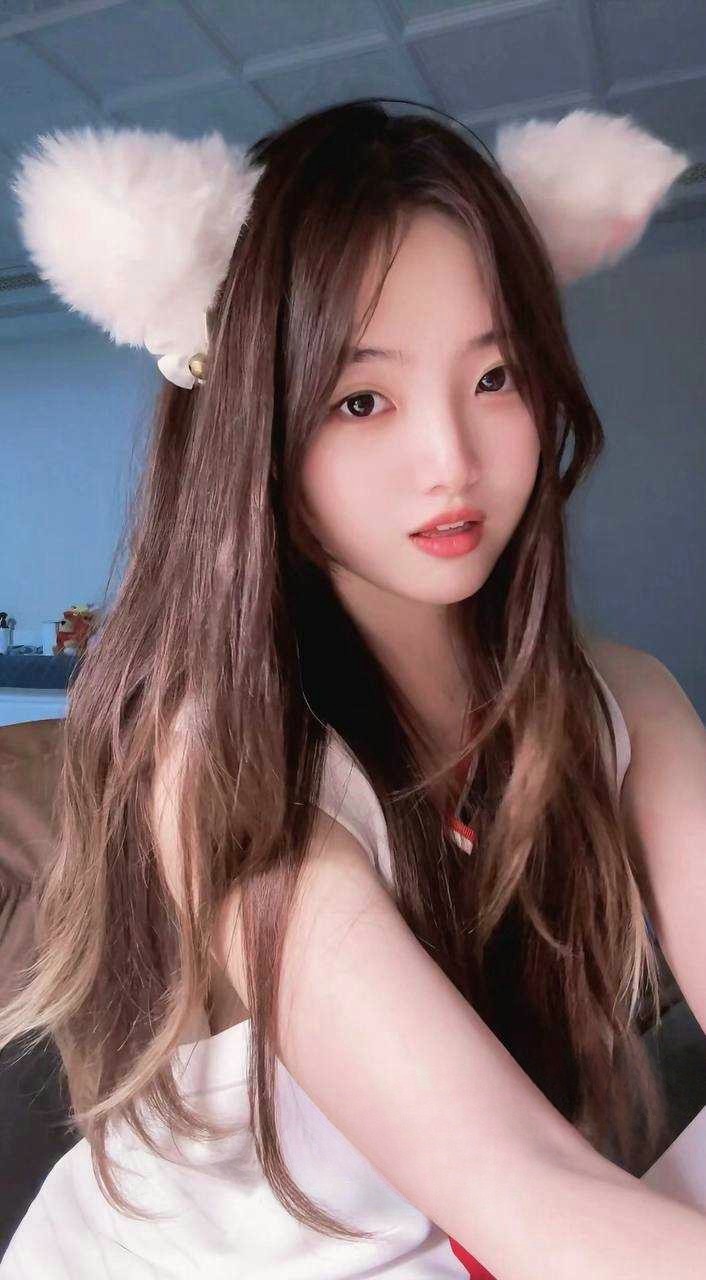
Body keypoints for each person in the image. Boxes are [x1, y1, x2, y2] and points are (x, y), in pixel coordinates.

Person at [1, 97, 704, 1278]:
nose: (451, 459)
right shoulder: (219, 764)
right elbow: (519, 1185)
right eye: (361, 399)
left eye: (496, 376)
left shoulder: (623, 699)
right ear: (259, 431)